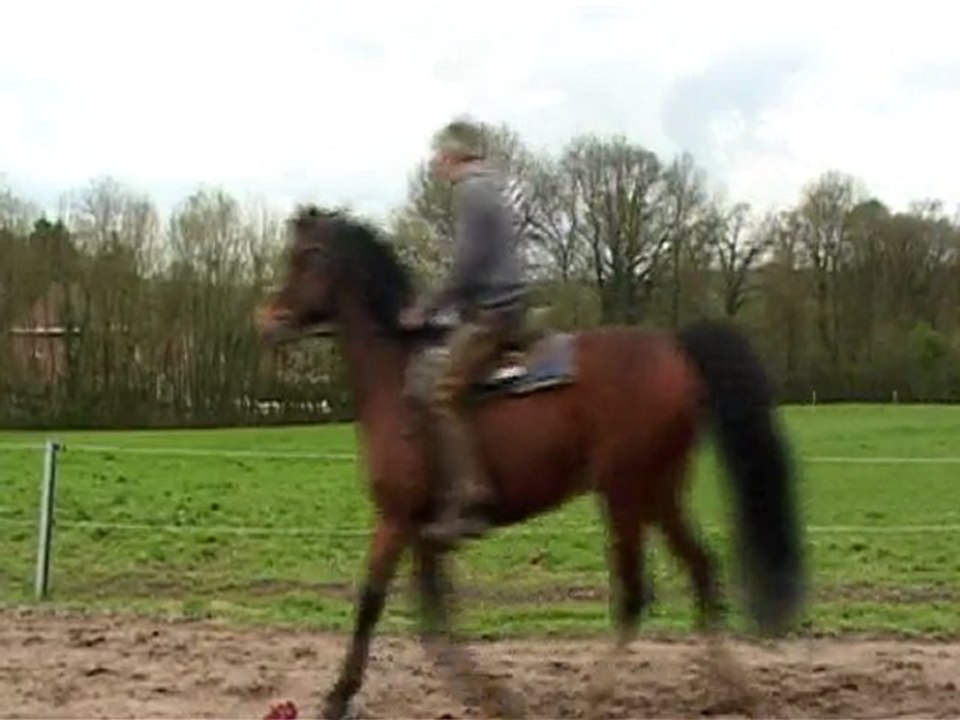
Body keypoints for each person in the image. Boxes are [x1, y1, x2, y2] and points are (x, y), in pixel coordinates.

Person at [399, 118, 526, 549]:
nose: (436, 163)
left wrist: (427, 308)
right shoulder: (490, 187)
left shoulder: (471, 191)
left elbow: (468, 264)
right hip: (499, 304)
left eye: (439, 154)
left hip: (492, 313)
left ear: (454, 155)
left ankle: (472, 496)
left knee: (442, 395)